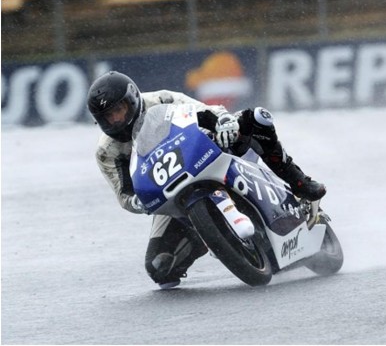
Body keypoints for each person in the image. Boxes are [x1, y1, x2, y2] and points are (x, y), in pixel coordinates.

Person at [87, 71, 326, 289]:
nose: (116, 119)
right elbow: (124, 195)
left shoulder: (161, 100)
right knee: (160, 268)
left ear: (132, 100)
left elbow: (205, 111)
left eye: (119, 110)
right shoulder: (106, 152)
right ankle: (210, 233)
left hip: (206, 152)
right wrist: (137, 203)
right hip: (171, 192)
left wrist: (223, 122)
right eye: (108, 117)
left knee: (256, 119)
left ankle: (299, 182)